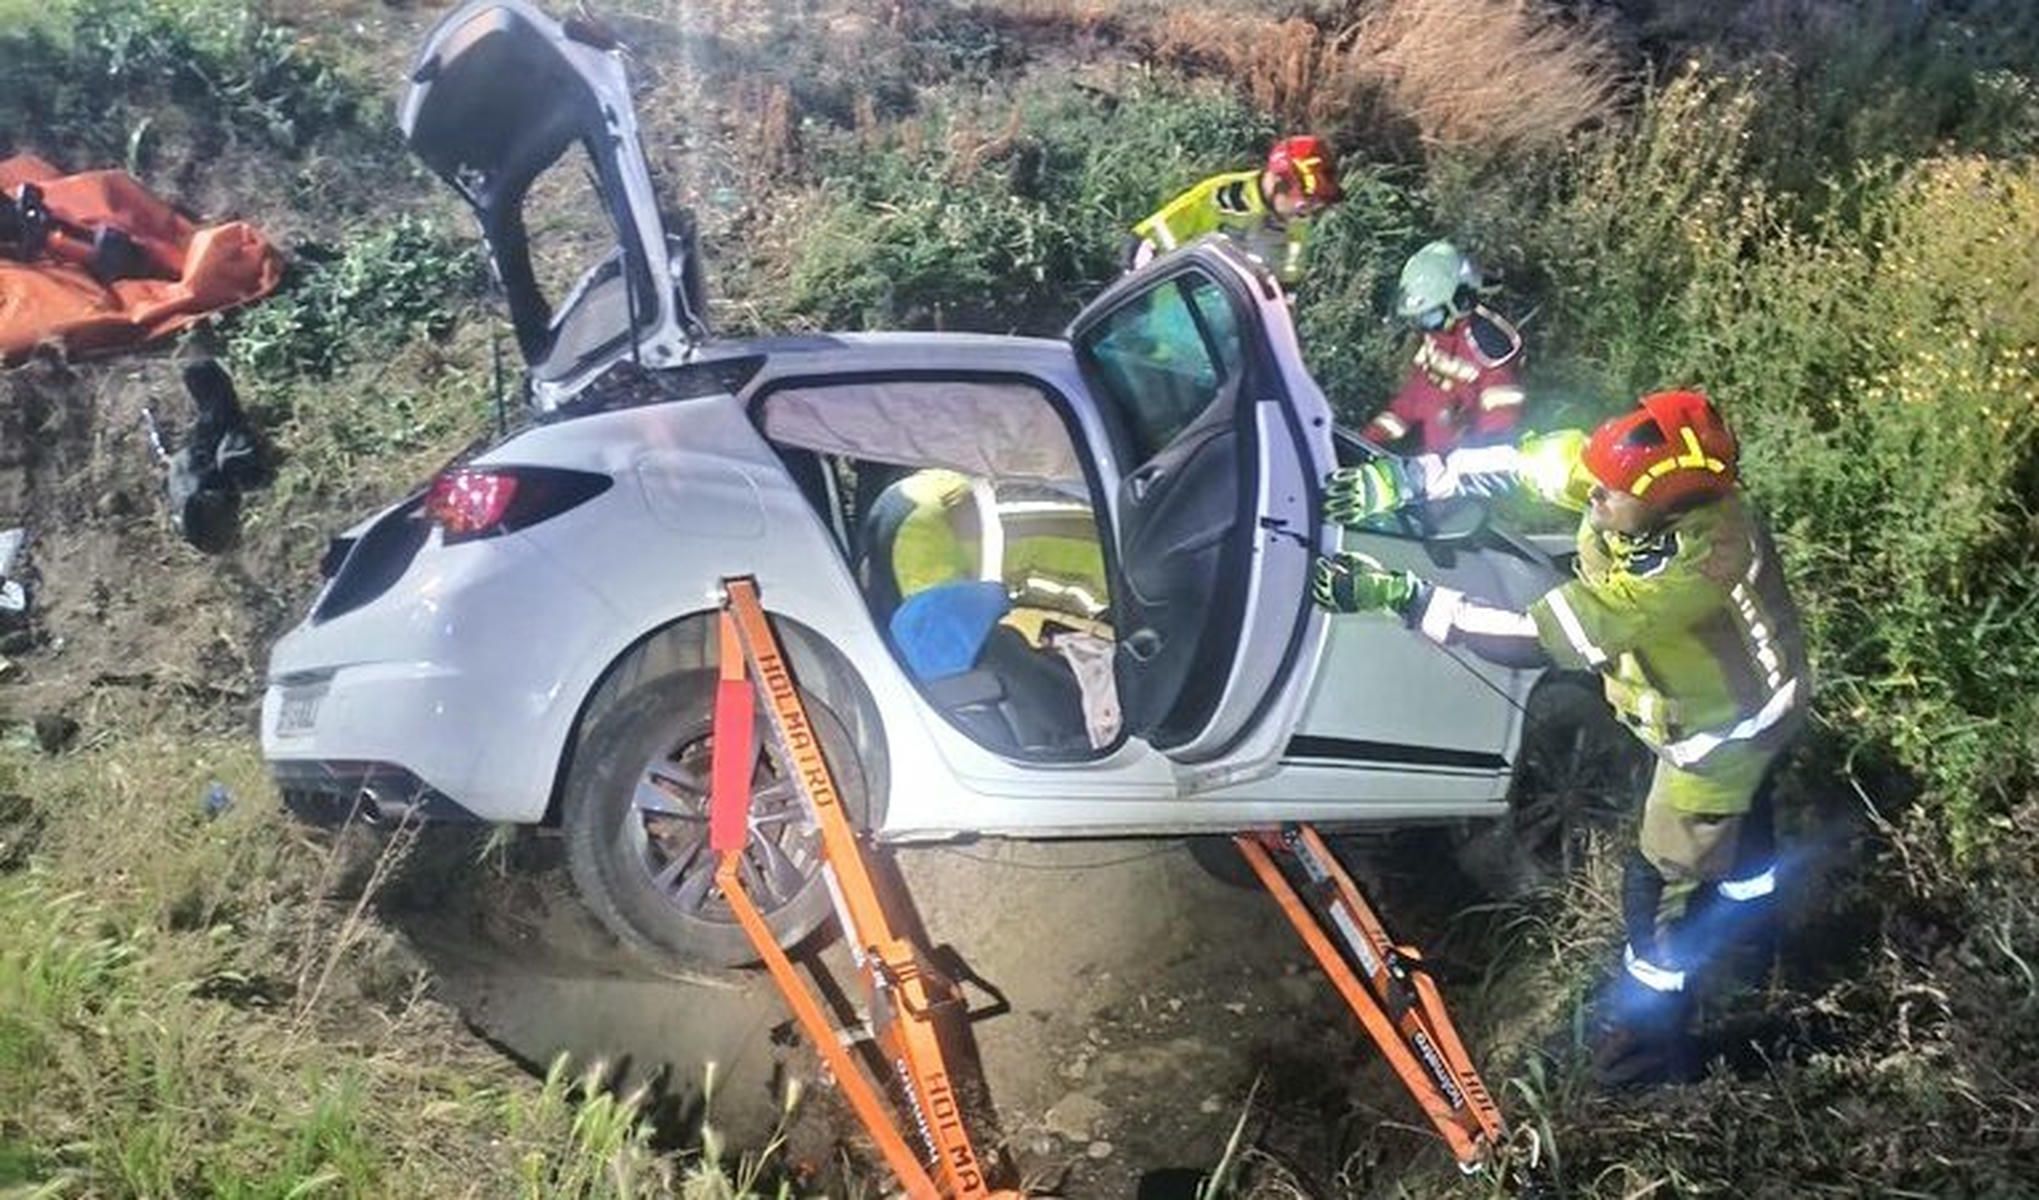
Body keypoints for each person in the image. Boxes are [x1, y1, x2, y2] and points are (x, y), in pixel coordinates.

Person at [1317, 390, 1808, 1085]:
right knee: (1748, 839)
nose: (1592, 494)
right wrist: (1408, 478)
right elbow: (1520, 464)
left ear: (1668, 501)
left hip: (1721, 738)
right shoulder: (1631, 488)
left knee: (1656, 888)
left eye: (1608, 494)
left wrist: (1406, 598)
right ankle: (1757, 932)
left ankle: (1647, 1045)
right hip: (1747, 710)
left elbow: (1539, 638)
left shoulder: (1693, 571)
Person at [1361, 241, 1527, 454]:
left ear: (1460, 301)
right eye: (1420, 318)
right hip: (1434, 463)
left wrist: (1467, 467)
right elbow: (1414, 399)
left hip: (1470, 470)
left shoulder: (1488, 346)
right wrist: (1368, 441)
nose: (1425, 326)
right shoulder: (1437, 338)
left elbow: (1499, 425)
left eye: (1432, 316)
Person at [1126, 135, 1342, 286]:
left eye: (1316, 205)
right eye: (1305, 202)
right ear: (1278, 182)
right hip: (1175, 316)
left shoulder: (1297, 220)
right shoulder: (1222, 194)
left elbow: (1287, 282)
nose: (1308, 212)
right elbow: (1145, 239)